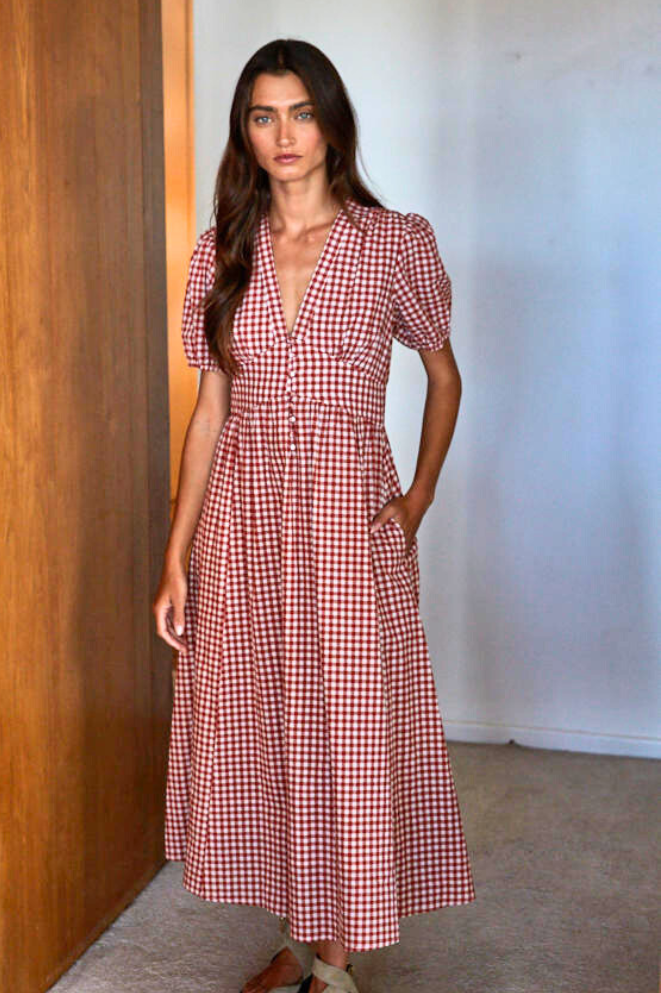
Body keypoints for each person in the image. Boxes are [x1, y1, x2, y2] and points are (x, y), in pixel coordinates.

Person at [153, 38, 475, 993]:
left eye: (300, 112)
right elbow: (210, 410)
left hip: (348, 523)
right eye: (264, 115)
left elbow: (444, 375)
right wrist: (177, 557)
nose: (284, 134)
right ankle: (303, 937)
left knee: (348, 726)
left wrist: (416, 500)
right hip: (245, 525)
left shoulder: (393, 242)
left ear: (332, 124)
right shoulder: (222, 249)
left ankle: (333, 965)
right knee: (266, 723)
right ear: (244, 132)